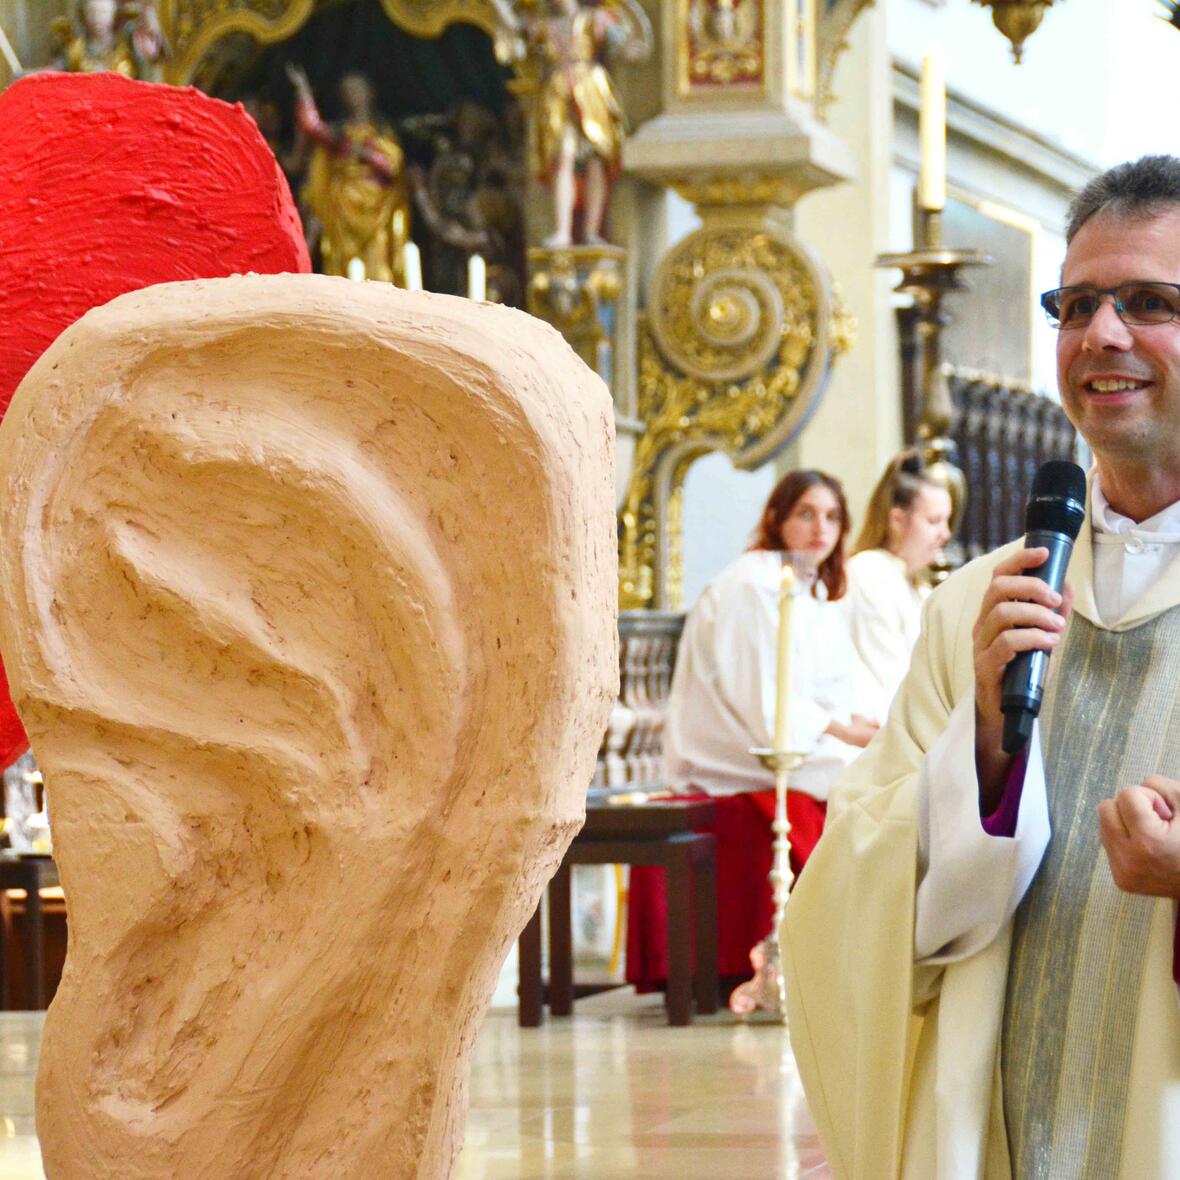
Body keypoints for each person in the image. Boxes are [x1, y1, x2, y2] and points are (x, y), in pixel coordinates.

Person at [784, 155, 1180, 1179]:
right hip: (988, 1133)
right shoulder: (976, 604)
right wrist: (984, 761)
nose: (1102, 335)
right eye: (1077, 303)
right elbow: (850, 898)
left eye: (1149, 302)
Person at [626, 470, 878, 994]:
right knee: (871, 780)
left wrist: (858, 725)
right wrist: (844, 733)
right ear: (776, 518)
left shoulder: (806, 587)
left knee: (886, 768)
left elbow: (831, 687)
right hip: (734, 753)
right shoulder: (752, 584)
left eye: (832, 517)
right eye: (805, 514)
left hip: (791, 736)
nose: (819, 528)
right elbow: (761, 698)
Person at [527, 0, 648, 247]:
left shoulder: (596, 19)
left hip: (591, 89)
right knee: (562, 156)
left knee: (595, 157)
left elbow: (626, 46)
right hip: (557, 92)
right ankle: (562, 230)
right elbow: (517, 46)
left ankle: (592, 230)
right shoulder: (543, 26)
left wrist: (631, 42)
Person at [844, 450, 953, 718]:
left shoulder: (916, 585)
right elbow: (890, 677)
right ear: (897, 520)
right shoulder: (869, 572)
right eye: (934, 521)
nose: (946, 534)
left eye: (947, 521)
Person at [286, 65, 410, 285]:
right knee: (343, 269)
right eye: (348, 91)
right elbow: (313, 127)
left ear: (370, 92)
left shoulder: (382, 131)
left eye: (358, 89)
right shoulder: (339, 134)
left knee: (378, 270)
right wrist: (303, 91)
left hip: (378, 207)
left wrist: (361, 152)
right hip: (343, 206)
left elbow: (393, 166)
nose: (354, 96)